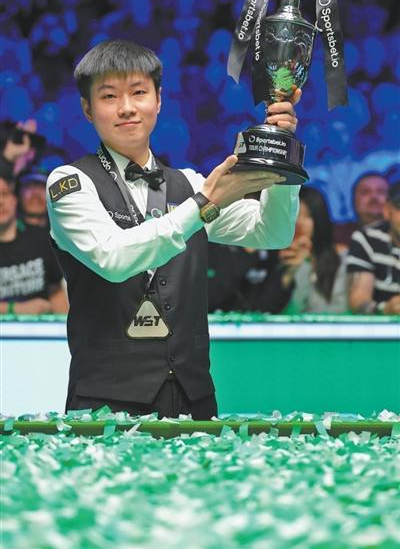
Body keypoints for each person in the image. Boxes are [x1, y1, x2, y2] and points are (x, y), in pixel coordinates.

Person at [46, 39, 300, 419]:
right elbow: (112, 259)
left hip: (193, 399)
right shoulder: (69, 182)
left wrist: (282, 157)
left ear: (159, 100)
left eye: (139, 92)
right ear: (87, 108)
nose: (127, 107)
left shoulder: (189, 183)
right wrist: (204, 205)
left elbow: (271, 233)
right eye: (109, 96)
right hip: (104, 404)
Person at [270, 186, 348, 314]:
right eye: (293, 214)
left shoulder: (341, 258)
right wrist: (294, 270)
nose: (299, 222)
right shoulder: (273, 258)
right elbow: (283, 312)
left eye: (307, 216)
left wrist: (306, 262)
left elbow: (338, 311)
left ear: (320, 218)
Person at [0, 174, 69, 315]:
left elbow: (56, 292)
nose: (0, 201)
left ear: (14, 199)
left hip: (40, 326)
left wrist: (64, 324)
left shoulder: (43, 239)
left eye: (4, 194)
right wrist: (16, 309)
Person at [347, 180, 400, 315]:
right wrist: (386, 309)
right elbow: (359, 302)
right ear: (387, 210)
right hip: (383, 326)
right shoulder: (366, 239)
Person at [334, 172, 389, 249]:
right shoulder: (337, 235)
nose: (374, 197)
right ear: (353, 200)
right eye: (365, 192)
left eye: (380, 191)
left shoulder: (396, 234)